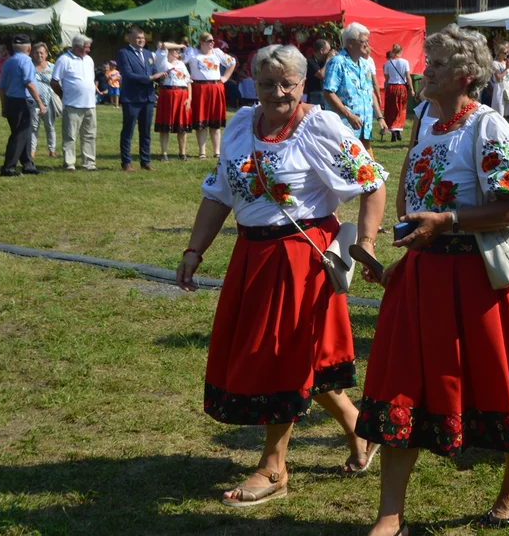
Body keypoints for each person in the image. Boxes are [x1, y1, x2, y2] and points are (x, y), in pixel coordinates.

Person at [357, 25, 509, 536]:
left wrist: (447, 222)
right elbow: (411, 188)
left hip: (475, 279)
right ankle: (390, 516)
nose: (427, 70)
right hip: (423, 277)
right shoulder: (428, 123)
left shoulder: (488, 127)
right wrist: (408, 239)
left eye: (438, 64)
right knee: (404, 384)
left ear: (465, 75)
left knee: (494, 382)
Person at [177, 44, 388, 507]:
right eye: (267, 83)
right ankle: (360, 430)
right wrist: (195, 250)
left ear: (303, 81)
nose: (278, 92)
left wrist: (366, 245)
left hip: (301, 260)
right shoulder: (238, 126)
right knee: (300, 356)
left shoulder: (320, 125)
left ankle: (273, 467)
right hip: (251, 255)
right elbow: (218, 195)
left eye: (287, 83)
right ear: (252, 84)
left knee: (282, 356)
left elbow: (372, 181)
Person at [323, 22, 387, 154]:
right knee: (350, 171)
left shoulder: (364, 65)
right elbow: (328, 93)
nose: (367, 45)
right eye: (364, 41)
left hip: (364, 130)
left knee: (368, 172)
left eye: (367, 41)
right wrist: (349, 116)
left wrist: (380, 117)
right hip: (344, 131)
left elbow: (369, 92)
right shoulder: (337, 63)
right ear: (351, 42)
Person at [0, 34, 45, 177]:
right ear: (29, 48)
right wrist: (40, 103)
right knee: (19, 135)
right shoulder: (26, 61)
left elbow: (2, 87)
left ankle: (27, 164)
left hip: (11, 100)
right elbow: (29, 83)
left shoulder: (8, 62)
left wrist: (4, 106)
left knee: (23, 134)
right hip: (22, 101)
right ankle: (8, 167)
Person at [51, 35, 100, 172]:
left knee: (90, 135)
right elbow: (54, 81)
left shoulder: (89, 60)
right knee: (70, 136)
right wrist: (63, 95)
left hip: (90, 104)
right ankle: (69, 163)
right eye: (86, 47)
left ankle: (89, 163)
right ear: (76, 47)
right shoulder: (64, 60)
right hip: (72, 104)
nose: (88, 50)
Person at [185, 32, 236, 160]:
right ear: (202, 42)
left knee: (215, 122)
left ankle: (217, 151)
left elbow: (232, 62)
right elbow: (179, 62)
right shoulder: (192, 53)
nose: (212, 43)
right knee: (201, 121)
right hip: (199, 88)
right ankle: (202, 151)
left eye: (213, 40)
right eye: (209, 41)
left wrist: (225, 77)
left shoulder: (217, 53)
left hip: (215, 87)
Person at [116, 28, 161, 171]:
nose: (141, 40)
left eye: (143, 38)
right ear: (130, 39)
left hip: (148, 98)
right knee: (128, 131)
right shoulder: (124, 53)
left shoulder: (148, 54)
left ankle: (145, 161)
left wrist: (160, 76)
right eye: (138, 38)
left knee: (146, 131)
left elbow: (153, 70)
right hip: (132, 98)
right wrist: (149, 78)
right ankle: (126, 162)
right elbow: (128, 74)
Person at [155, 42, 194, 161]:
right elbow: (164, 45)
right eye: (175, 50)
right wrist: (179, 45)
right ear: (169, 52)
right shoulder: (163, 62)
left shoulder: (181, 64)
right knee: (165, 125)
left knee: (182, 126)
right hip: (168, 94)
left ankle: (182, 153)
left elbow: (188, 82)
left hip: (182, 95)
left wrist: (189, 98)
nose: (177, 52)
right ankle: (164, 153)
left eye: (178, 51)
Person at [28, 43, 57, 160]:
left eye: (42, 53)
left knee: (50, 126)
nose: (39, 55)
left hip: (49, 101)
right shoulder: (29, 66)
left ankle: (52, 150)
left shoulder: (52, 67)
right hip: (34, 101)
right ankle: (32, 151)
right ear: (33, 54)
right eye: (37, 53)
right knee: (33, 127)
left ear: (46, 54)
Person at [382, 44, 413, 142]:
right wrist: (411, 88)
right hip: (401, 87)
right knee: (401, 109)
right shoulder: (405, 62)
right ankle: (398, 130)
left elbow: (386, 79)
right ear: (401, 51)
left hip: (391, 87)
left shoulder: (387, 63)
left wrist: (386, 88)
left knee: (391, 110)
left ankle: (393, 132)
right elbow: (408, 77)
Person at [490, 41, 509, 118]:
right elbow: (499, 78)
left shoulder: (507, 63)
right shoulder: (495, 63)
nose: (506, 54)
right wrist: (506, 68)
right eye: (504, 53)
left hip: (508, 89)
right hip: (499, 89)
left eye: (507, 52)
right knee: (499, 112)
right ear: (499, 53)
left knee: (506, 113)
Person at [305, 40, 332, 107]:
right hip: (314, 94)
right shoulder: (310, 61)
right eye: (328, 50)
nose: (329, 53)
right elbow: (321, 75)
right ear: (322, 50)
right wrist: (328, 59)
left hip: (323, 93)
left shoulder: (322, 62)